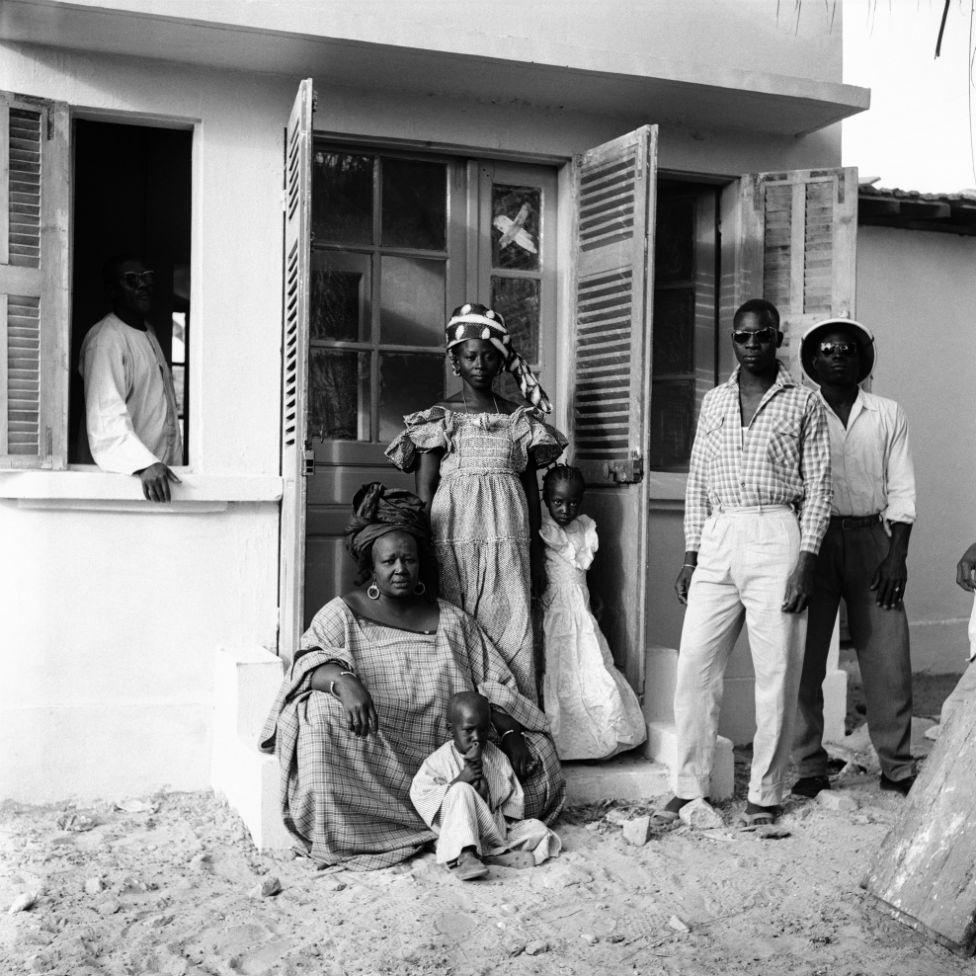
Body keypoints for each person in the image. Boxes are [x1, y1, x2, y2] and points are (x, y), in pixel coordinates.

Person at [259, 483, 565, 870]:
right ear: (371, 566)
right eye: (389, 562)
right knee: (316, 714)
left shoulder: (451, 619)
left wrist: (510, 734)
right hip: (376, 752)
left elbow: (493, 685)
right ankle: (381, 829)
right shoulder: (342, 613)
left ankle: (460, 821)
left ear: (421, 563)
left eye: (409, 560)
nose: (400, 569)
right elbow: (308, 661)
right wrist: (344, 682)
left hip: (449, 753)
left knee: (539, 762)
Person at [659, 298, 832, 830]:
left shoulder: (804, 403)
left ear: (778, 339)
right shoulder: (713, 402)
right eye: (742, 337)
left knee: (776, 672)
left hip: (777, 531)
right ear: (732, 341)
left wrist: (806, 560)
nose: (752, 345)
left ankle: (765, 792)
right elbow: (696, 483)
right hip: (720, 532)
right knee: (695, 666)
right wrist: (691, 553)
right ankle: (689, 786)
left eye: (762, 336)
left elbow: (821, 488)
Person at [386, 302, 567, 701]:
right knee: (458, 626)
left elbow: (530, 489)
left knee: (510, 625)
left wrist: (536, 551)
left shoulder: (519, 420)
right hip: (453, 541)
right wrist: (424, 551)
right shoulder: (441, 417)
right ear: (455, 360)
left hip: (508, 542)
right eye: (470, 356)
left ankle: (515, 722)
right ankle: (463, 727)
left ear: (501, 363)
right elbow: (426, 490)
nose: (480, 364)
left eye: (489, 357)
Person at [791, 319, 917, 798]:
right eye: (827, 349)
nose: (838, 356)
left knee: (887, 657)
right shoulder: (799, 410)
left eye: (847, 349)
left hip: (872, 539)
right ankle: (808, 766)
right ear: (813, 361)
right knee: (805, 655)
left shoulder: (887, 413)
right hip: (811, 541)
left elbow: (902, 489)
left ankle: (897, 767)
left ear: (863, 358)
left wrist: (896, 556)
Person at [538, 464, 646, 759]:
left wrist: (594, 596)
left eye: (572, 502)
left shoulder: (584, 529)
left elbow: (585, 572)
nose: (565, 508)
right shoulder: (543, 529)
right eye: (558, 502)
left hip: (581, 612)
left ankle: (601, 738)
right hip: (554, 612)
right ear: (546, 498)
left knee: (591, 665)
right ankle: (563, 744)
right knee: (560, 670)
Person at [410, 691, 561, 880]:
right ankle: (465, 854)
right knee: (461, 790)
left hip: (492, 829)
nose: (477, 737)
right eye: (468, 730)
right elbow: (421, 794)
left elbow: (511, 799)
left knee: (538, 829)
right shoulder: (438, 761)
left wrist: (490, 801)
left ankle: (491, 857)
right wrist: (461, 780)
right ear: (451, 729)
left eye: (482, 730)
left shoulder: (495, 756)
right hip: (458, 830)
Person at [79, 256, 182, 502]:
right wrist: (143, 464)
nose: (143, 285)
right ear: (113, 290)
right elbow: (106, 414)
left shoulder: (148, 332)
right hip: (128, 481)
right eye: (131, 280)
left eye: (147, 277)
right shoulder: (107, 338)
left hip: (157, 482)